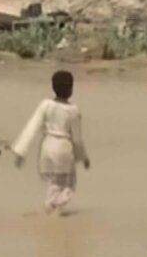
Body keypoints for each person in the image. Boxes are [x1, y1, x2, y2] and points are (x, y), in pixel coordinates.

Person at [9, 70, 90, 216]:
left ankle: (51, 211)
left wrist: (21, 152)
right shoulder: (73, 111)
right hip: (64, 150)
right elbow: (77, 139)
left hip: (46, 149)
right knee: (68, 185)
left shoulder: (45, 105)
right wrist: (83, 158)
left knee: (53, 183)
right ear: (71, 89)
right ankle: (53, 206)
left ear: (53, 87)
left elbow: (32, 127)